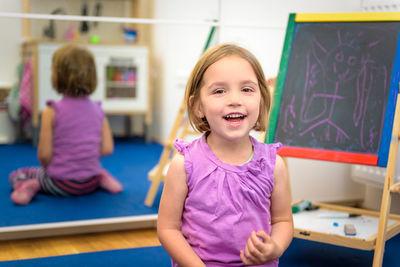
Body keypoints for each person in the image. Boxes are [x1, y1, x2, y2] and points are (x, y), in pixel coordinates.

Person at [157, 43, 293, 267]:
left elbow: (283, 220)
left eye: (247, 89)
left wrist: (275, 247)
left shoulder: (273, 165)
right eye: (220, 91)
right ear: (198, 106)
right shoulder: (184, 165)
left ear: (261, 97)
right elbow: (168, 229)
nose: (235, 100)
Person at [9, 44, 123, 205]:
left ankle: (28, 186)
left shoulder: (52, 111)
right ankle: (101, 178)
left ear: (57, 76)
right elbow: (107, 149)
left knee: (18, 173)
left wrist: (52, 170)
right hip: (90, 181)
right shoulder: (98, 109)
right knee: (97, 171)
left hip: (60, 183)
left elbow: (44, 155)